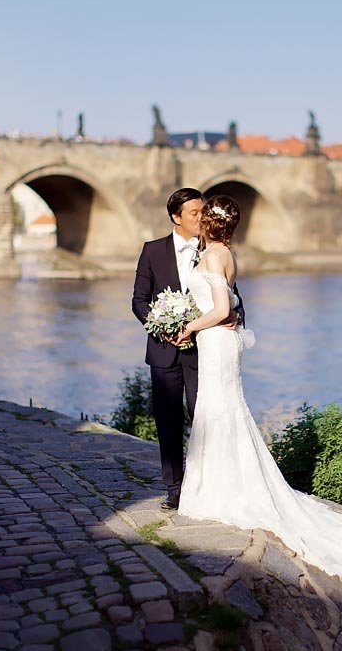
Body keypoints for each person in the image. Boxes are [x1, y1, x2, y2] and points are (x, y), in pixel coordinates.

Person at [173, 195, 342, 586]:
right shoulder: (225, 254)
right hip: (220, 342)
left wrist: (189, 327)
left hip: (215, 341)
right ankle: (218, 482)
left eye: (203, 218)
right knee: (223, 410)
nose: (197, 223)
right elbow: (229, 303)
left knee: (218, 410)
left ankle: (216, 490)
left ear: (211, 225)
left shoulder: (214, 256)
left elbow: (220, 309)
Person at [131, 188, 243, 510]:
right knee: (167, 421)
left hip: (202, 351)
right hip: (164, 349)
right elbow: (139, 300)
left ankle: (204, 485)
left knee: (204, 417)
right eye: (193, 213)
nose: (201, 217)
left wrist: (235, 316)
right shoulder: (152, 251)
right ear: (175, 217)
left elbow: (232, 295)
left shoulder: (213, 249)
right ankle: (174, 489)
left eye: (203, 211)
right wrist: (162, 327)